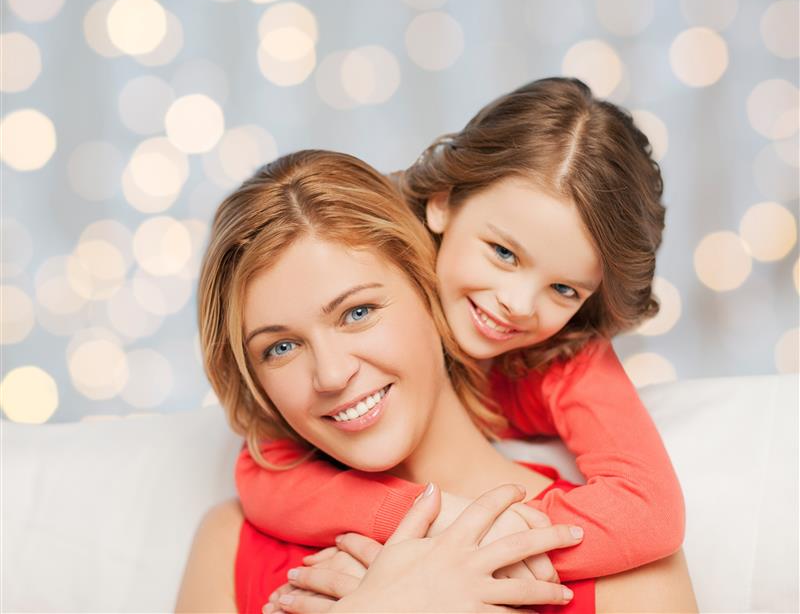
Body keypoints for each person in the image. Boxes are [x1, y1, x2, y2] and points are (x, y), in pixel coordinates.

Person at [176, 150, 697, 613]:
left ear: (430, 287)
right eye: (280, 348)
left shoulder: (624, 565)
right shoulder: (229, 542)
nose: (331, 374)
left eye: (358, 312)